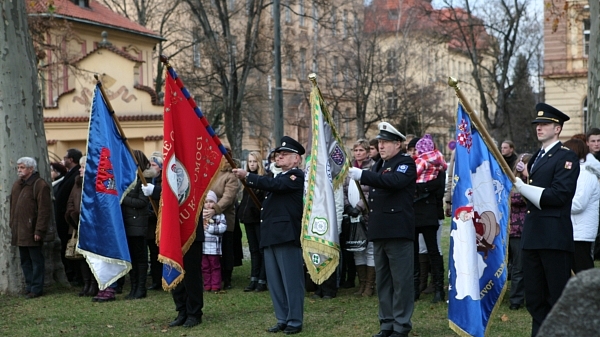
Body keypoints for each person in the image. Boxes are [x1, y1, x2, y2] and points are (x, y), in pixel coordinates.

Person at [513, 103, 580, 337]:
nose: (539, 128)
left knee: (556, 297)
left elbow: (560, 195)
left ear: (558, 129)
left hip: (553, 235)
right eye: (537, 125)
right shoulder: (537, 158)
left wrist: (524, 188)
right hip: (533, 235)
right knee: (534, 297)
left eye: (545, 124)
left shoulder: (566, 156)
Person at [232, 136, 306, 335]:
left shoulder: (295, 176)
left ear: (296, 159)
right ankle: (282, 318)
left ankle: (294, 320)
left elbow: (275, 186)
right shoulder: (277, 177)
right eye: (278, 155)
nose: (279, 157)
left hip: (286, 235)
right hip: (271, 235)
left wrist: (248, 176)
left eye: (284, 154)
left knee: (291, 281)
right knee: (275, 282)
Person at [348, 122, 416, 337]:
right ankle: (386, 322)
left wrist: (363, 175)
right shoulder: (378, 164)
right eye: (379, 142)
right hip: (379, 229)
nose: (381, 146)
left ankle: (401, 324)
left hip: (397, 230)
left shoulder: (405, 162)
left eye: (385, 142)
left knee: (401, 281)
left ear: (398, 144)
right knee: (383, 280)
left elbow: (394, 182)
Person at [10, 157, 52, 299]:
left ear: (30, 169)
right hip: (19, 230)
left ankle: (36, 288)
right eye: (18, 167)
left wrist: (39, 230)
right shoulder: (17, 185)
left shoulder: (39, 185)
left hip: (32, 230)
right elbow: (12, 208)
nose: (19, 170)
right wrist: (12, 226)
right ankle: (29, 286)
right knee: (25, 261)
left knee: (36, 260)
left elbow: (44, 210)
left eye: (22, 167)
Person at [412, 134, 447, 303]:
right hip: (414, 211)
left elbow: (439, 189)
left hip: (429, 212)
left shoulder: (439, 170)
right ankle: (415, 288)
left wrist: (421, 188)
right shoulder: (417, 164)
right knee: (414, 252)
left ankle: (438, 288)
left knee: (433, 250)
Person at [203, 149, 240, 290]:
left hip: (223, 216)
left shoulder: (230, 176)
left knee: (225, 249)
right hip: (207, 214)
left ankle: (227, 277)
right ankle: (209, 277)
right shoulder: (210, 172)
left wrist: (215, 209)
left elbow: (228, 197)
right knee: (207, 249)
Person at [343, 139, 375, 296]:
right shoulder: (349, 169)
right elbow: (343, 188)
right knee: (357, 248)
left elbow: (371, 192)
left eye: (361, 150)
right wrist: (348, 206)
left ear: (368, 152)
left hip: (366, 214)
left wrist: (359, 207)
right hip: (352, 215)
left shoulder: (372, 168)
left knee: (369, 248)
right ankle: (361, 283)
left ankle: (369, 285)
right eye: (356, 151)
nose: (358, 153)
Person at [563, 139, 600, 273]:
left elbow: (579, 204)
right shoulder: (575, 172)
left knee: (583, 272)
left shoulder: (585, 175)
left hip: (581, 234)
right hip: (573, 231)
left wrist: (556, 203)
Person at [65, 156, 99, 297]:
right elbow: (71, 202)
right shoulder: (77, 184)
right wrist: (73, 215)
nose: (80, 169)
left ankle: (94, 283)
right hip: (77, 225)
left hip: (92, 226)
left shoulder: (96, 184)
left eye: (83, 167)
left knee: (92, 257)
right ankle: (86, 284)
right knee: (82, 257)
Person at [122, 150, 150, 300]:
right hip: (127, 224)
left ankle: (141, 288)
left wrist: (123, 198)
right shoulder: (127, 178)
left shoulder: (143, 179)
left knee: (140, 258)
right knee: (131, 258)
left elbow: (142, 202)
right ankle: (133, 287)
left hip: (137, 225)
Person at [238, 151, 267, 292]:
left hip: (259, 219)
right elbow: (245, 200)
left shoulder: (264, 179)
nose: (252, 164)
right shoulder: (246, 180)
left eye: (254, 161)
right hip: (249, 218)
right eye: (250, 162)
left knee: (262, 250)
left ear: (259, 162)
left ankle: (262, 279)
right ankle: (254, 278)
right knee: (253, 250)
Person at [168, 220, 205, 328]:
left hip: (191, 231)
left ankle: (194, 313)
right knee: (175, 273)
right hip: (172, 231)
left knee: (191, 275)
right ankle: (182, 310)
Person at [54, 148, 83, 284]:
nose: (63, 159)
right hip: (65, 217)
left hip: (70, 219)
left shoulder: (76, 174)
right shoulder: (70, 174)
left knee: (73, 248)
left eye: (65, 157)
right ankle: (73, 274)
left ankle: (77, 276)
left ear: (71, 159)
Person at [508, 153, 532, 310]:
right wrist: (525, 179)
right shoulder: (514, 183)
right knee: (518, 266)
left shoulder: (528, 181)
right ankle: (516, 300)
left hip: (528, 229)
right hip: (517, 230)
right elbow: (520, 198)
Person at [141, 151, 163, 291]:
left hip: (159, 221)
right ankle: (155, 280)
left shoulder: (162, 181)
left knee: (161, 253)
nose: (152, 167)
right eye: (150, 164)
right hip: (150, 224)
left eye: (154, 164)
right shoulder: (148, 180)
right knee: (153, 254)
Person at [202, 190, 227, 292]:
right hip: (203, 247)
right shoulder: (201, 216)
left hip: (214, 248)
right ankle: (207, 284)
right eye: (206, 201)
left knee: (215, 266)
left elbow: (223, 227)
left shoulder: (219, 216)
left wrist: (209, 228)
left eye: (211, 201)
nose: (208, 204)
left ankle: (216, 285)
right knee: (204, 267)